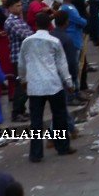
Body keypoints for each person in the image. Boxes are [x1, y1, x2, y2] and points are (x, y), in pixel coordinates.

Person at [18, 12, 77, 163]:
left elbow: (22, 64)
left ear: (36, 25)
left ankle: (36, 153)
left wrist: (23, 80)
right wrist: (69, 83)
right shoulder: (54, 41)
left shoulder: (27, 42)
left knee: (36, 121)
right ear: (49, 25)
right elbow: (62, 65)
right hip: (53, 84)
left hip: (35, 85)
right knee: (59, 116)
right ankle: (63, 146)